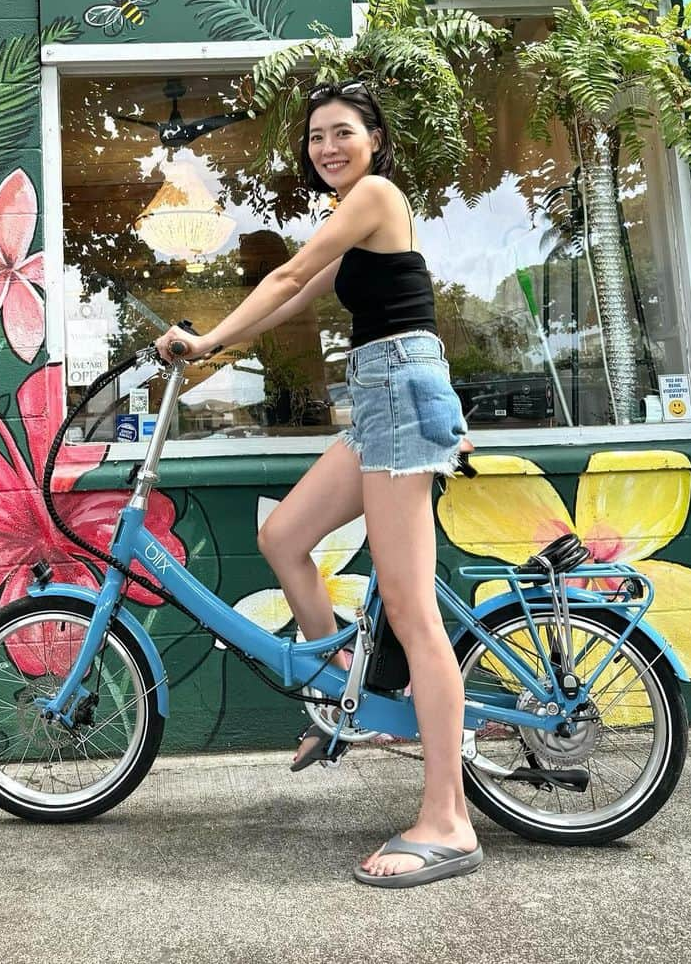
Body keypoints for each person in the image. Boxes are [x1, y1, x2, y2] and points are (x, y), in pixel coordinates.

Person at [154, 79, 481, 889]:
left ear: (374, 141)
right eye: (316, 138)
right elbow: (296, 289)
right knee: (283, 536)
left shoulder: (374, 194)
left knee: (409, 606)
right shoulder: (355, 213)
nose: (326, 148)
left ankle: (448, 817)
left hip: (402, 391)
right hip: (377, 397)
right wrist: (217, 351)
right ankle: (346, 698)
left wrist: (206, 341)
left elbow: (289, 276)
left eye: (342, 133)